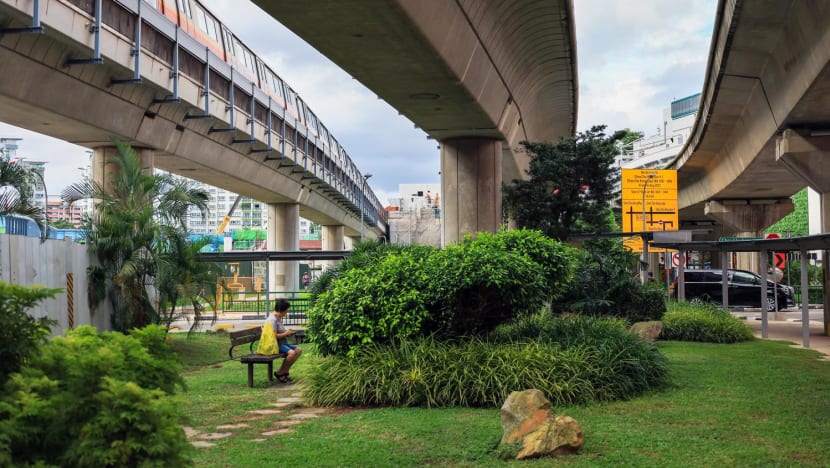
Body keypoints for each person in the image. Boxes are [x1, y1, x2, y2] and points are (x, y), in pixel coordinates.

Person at [266, 299, 302, 383]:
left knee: (298, 350)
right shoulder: (272, 320)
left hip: (282, 343)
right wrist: (286, 334)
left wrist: (287, 332)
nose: (287, 312)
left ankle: (284, 371)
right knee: (292, 353)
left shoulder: (278, 317)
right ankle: (280, 373)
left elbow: (280, 332)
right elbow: (274, 336)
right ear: (280, 311)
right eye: (286, 311)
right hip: (276, 345)